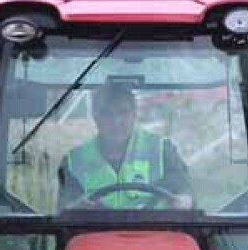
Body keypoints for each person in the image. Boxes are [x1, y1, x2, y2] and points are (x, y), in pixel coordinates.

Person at [58, 82, 191, 209]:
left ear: (134, 114)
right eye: (107, 114)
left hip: (157, 230)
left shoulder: (162, 151)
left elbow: (185, 194)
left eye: (123, 112)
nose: (116, 121)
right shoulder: (74, 162)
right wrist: (75, 208)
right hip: (94, 231)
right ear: (95, 116)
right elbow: (63, 211)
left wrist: (183, 201)